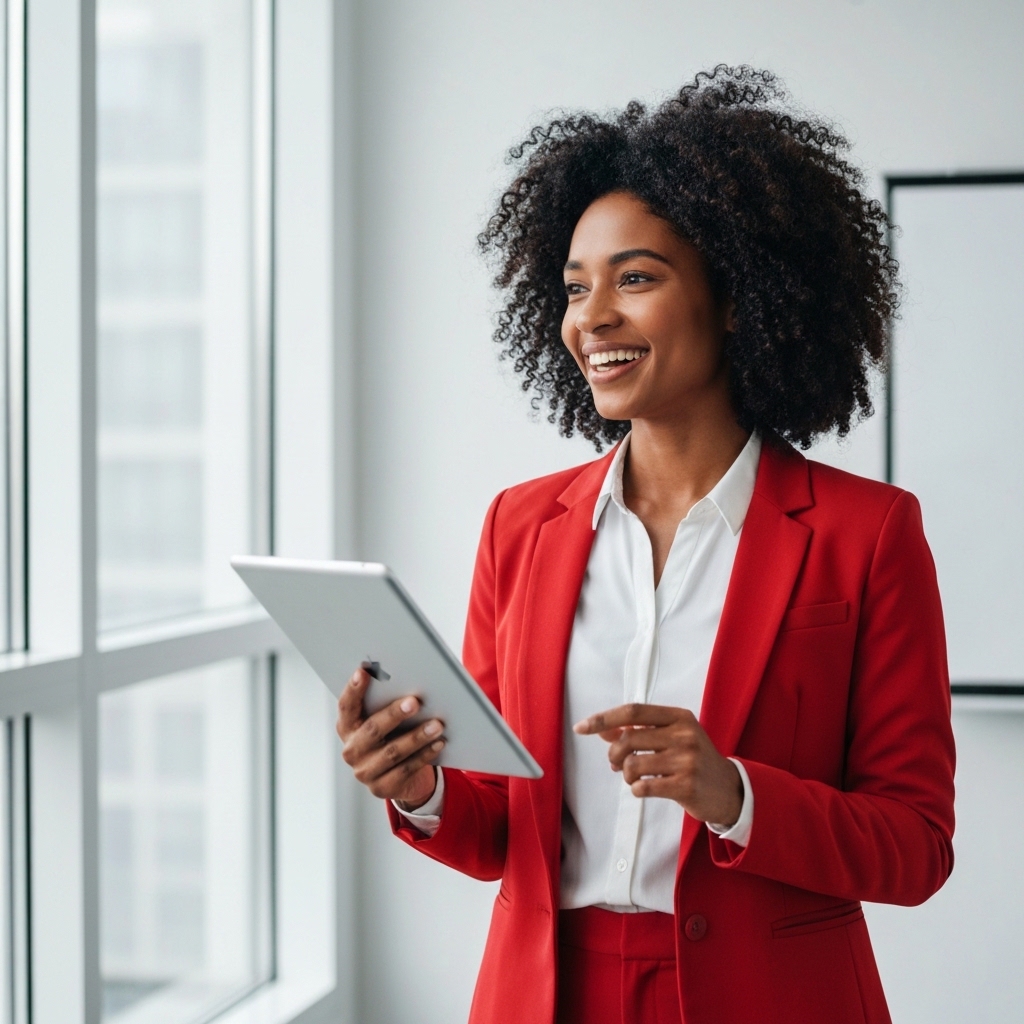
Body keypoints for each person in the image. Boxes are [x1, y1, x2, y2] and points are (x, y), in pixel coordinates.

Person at [335, 65, 955, 1024]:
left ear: (740, 298)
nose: (594, 318)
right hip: (544, 994)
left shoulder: (866, 535)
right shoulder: (520, 526)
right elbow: (502, 825)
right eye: (577, 287)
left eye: (636, 278)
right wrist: (421, 789)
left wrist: (735, 793)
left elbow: (916, 848)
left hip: (767, 998)